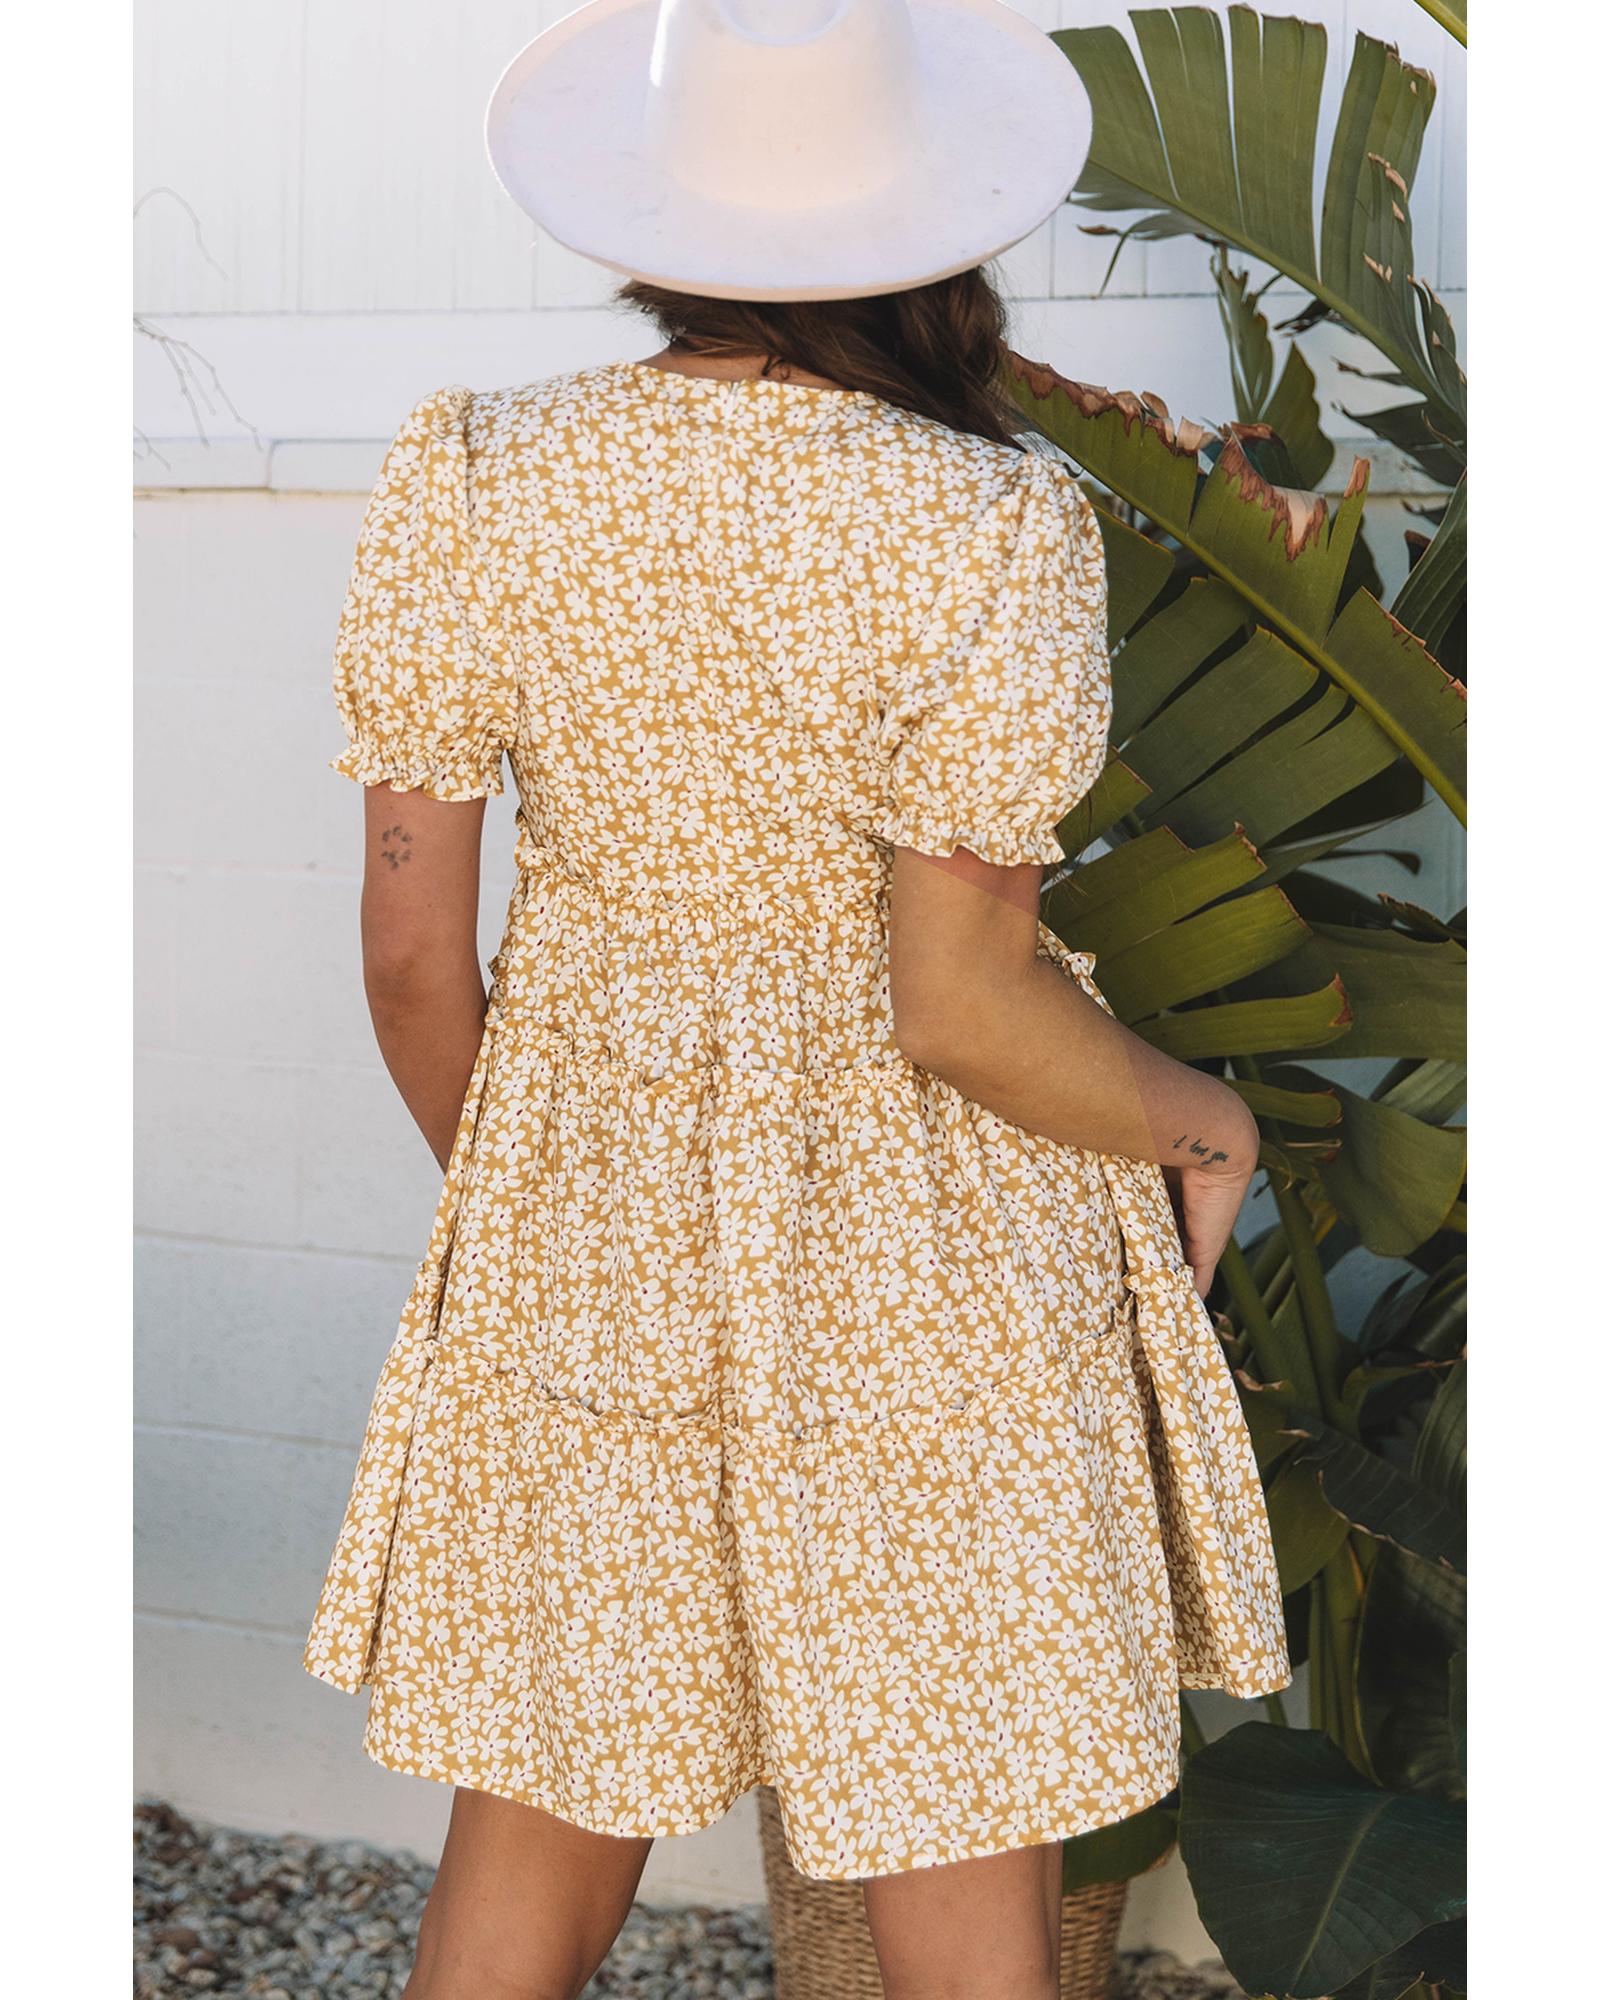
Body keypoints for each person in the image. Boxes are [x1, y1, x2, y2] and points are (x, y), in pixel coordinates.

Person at [302, 2, 1291, 1995]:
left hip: (589, 1216)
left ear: (655, 212)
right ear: (938, 225)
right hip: (927, 1246)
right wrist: (1209, 1126)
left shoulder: (478, 473)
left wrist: (547, 1204)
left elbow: (411, 953)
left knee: (542, 1805)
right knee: (953, 1816)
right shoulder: (989, 519)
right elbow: (960, 1004)